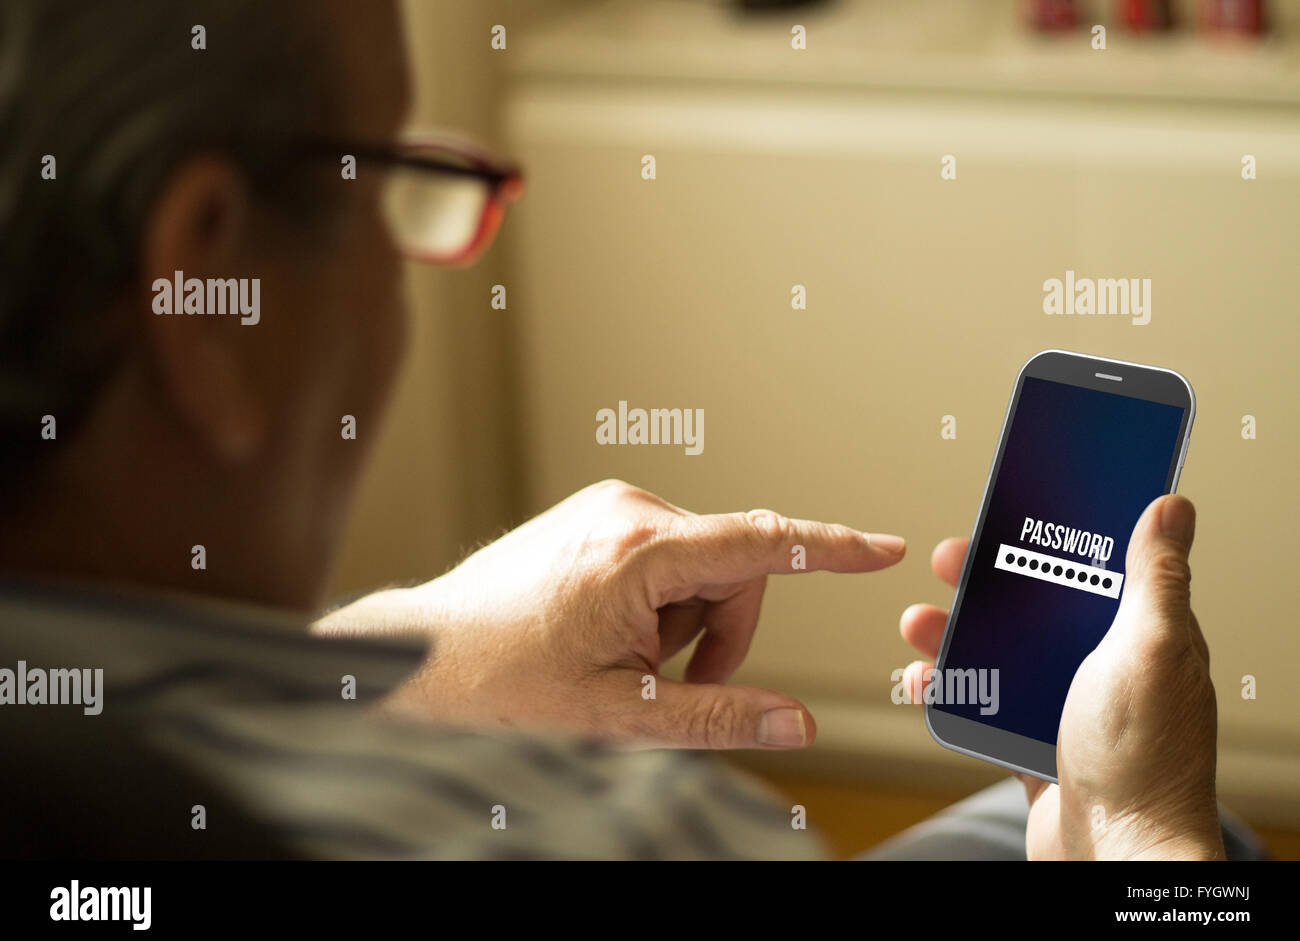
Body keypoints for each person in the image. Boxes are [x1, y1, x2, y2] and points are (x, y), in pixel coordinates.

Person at [0, 0, 1238, 860]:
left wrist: (406, 660)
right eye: (384, 184)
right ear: (202, 294)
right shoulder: (614, 834)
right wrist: (1147, 835)